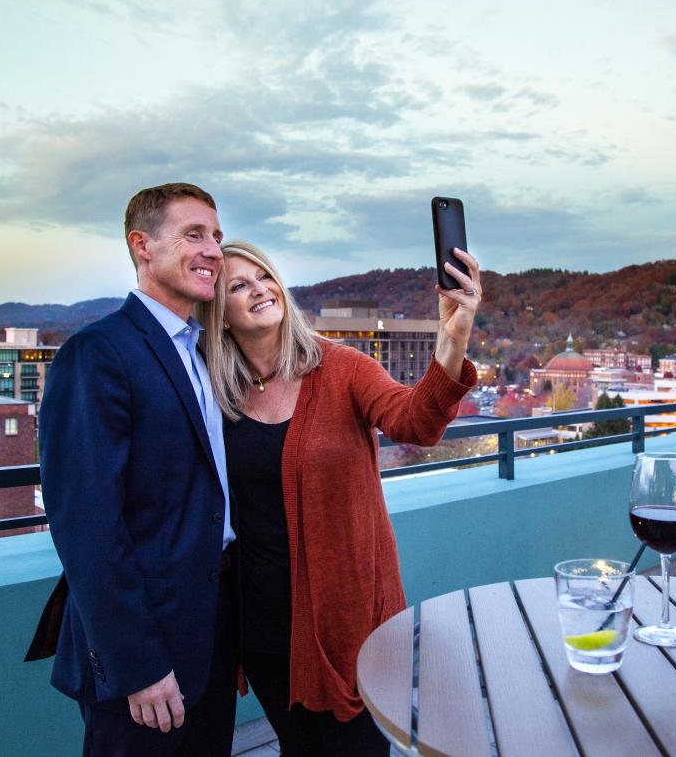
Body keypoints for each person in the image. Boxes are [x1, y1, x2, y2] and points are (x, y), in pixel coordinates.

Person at [198, 239, 481, 756]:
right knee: (299, 747)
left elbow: (414, 421)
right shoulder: (214, 390)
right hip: (262, 626)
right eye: (239, 285)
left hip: (348, 622)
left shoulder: (341, 368)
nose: (260, 288)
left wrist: (454, 335)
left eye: (264, 275)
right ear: (218, 316)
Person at [31, 183, 238, 757]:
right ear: (142, 245)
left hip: (211, 630)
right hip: (145, 651)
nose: (213, 251)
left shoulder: (199, 352)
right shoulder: (98, 353)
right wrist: (137, 665)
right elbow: (86, 524)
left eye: (217, 238)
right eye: (194, 234)